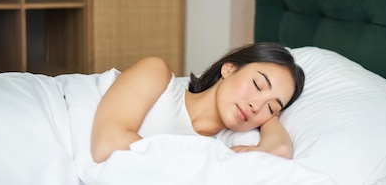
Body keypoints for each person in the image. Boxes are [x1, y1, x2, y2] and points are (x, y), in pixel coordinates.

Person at [90, 42, 305, 162]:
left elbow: (279, 151)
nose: (256, 106)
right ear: (229, 68)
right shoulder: (157, 75)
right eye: (258, 85)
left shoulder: (224, 146)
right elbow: (107, 145)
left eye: (271, 107)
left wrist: (270, 119)